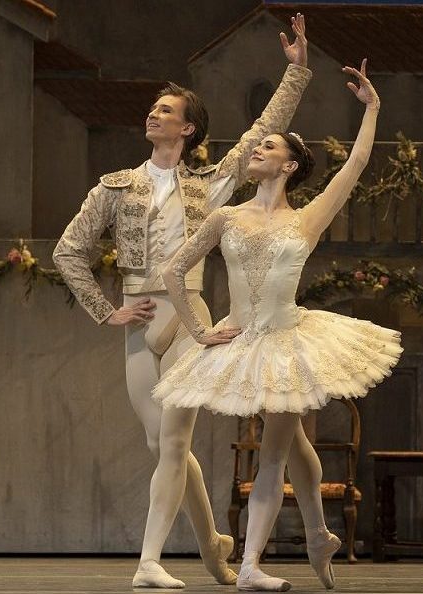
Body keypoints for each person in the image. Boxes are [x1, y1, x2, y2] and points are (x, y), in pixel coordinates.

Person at [52, 15, 324, 589]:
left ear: (189, 128)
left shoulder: (212, 184)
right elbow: (67, 251)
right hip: (137, 322)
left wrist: (296, 72)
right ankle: (212, 545)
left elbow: (261, 130)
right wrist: (109, 310)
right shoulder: (116, 186)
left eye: (166, 110)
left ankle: (149, 562)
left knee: (173, 441)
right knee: (160, 444)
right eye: (153, 108)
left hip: (188, 321)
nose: (154, 114)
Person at [152, 59, 399, 592]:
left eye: (269, 147)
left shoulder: (305, 220)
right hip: (241, 338)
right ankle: (317, 536)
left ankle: (249, 567)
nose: (258, 150)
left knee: (275, 450)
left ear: (289, 166)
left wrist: (373, 108)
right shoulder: (227, 217)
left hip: (288, 341)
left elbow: (354, 164)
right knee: (290, 447)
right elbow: (172, 271)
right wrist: (199, 332)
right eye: (258, 146)